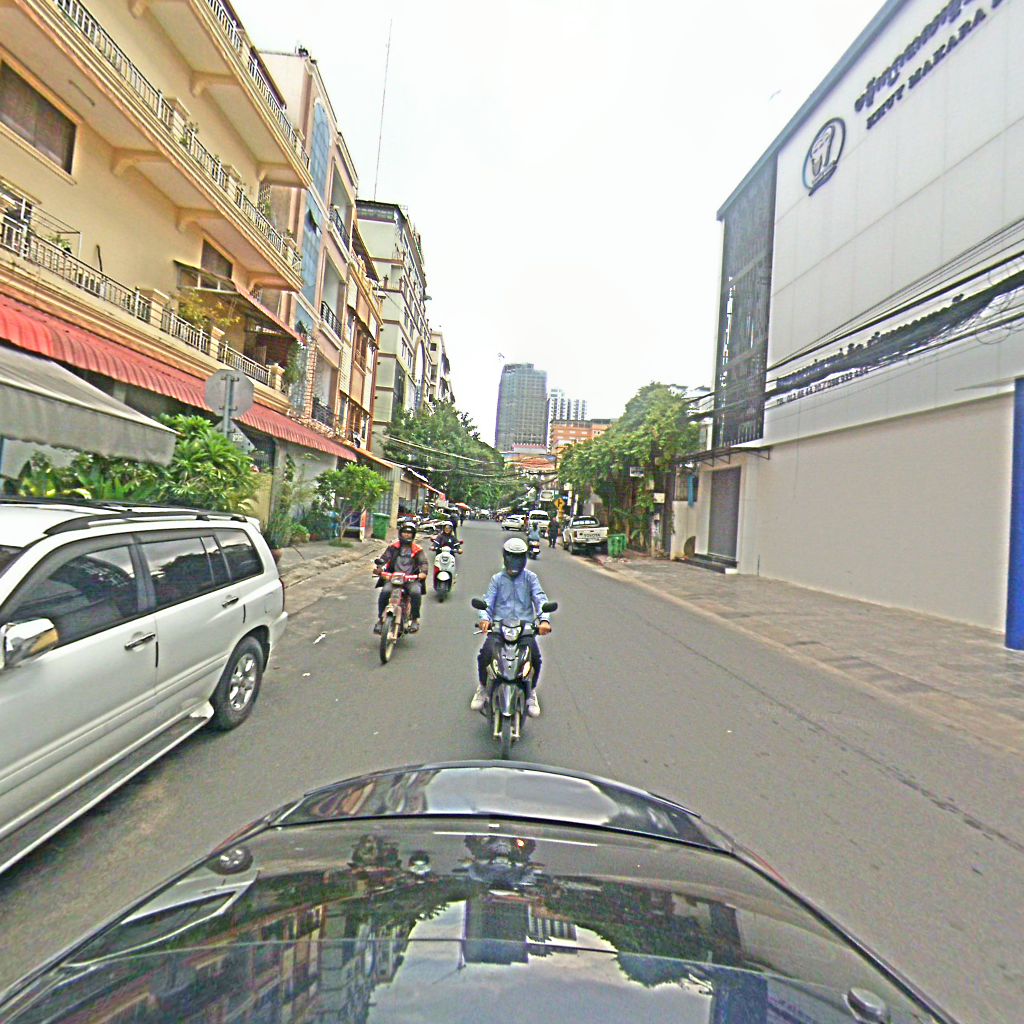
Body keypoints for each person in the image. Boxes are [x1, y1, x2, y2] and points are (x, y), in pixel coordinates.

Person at [471, 537, 552, 718]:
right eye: (511, 556)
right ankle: (482, 687)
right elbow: (487, 603)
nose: (514, 561)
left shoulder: (531, 578)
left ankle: (531, 692)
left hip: (524, 629)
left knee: (535, 657)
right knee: (486, 653)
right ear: (505, 556)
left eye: (518, 557)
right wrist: (484, 619)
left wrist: (544, 620)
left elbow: (540, 599)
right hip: (499, 628)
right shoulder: (497, 579)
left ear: (524, 558)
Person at [374, 519, 428, 633]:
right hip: (393, 578)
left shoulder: (417, 550)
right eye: (405, 532)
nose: (407, 535)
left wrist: (423, 572)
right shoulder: (393, 547)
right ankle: (380, 620)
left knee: (416, 593)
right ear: (400, 533)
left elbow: (423, 563)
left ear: (413, 535)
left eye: (409, 533)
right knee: (385, 592)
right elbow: (384, 558)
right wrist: (379, 568)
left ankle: (414, 619)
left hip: (410, 580)